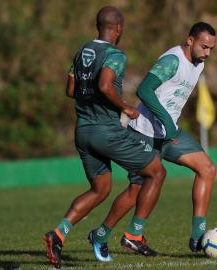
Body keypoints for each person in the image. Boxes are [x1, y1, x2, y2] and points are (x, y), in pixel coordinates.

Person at [43, 6, 166, 268]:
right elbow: (104, 84)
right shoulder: (114, 55)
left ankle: (58, 234)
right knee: (156, 172)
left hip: (83, 131)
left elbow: (70, 89)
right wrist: (124, 106)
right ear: (118, 27)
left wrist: (91, 102)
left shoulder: (81, 52)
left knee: (100, 190)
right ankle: (134, 234)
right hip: (106, 132)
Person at [89, 22, 217, 261]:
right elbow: (145, 90)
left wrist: (170, 125)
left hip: (169, 133)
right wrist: (167, 121)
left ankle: (198, 234)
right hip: (145, 132)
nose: (207, 53)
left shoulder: (199, 64)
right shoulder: (173, 60)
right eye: (203, 46)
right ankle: (103, 234)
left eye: (211, 48)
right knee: (136, 190)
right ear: (190, 40)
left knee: (207, 169)